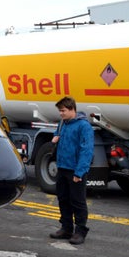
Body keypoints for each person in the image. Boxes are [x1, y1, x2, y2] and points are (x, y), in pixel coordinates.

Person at [49, 96, 94, 245]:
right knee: (63, 199)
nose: (61, 114)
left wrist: (79, 172)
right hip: (62, 167)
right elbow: (58, 134)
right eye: (59, 111)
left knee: (78, 201)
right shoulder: (63, 123)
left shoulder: (84, 126)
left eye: (63, 111)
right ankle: (66, 228)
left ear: (72, 109)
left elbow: (86, 151)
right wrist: (55, 137)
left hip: (75, 170)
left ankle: (80, 231)